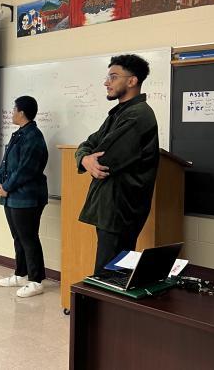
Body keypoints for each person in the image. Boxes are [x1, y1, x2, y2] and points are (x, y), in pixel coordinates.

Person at [75, 54, 159, 275]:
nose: (106, 82)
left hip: (120, 210)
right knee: (112, 274)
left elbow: (103, 160)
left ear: (132, 81)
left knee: (108, 276)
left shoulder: (138, 116)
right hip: (112, 209)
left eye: (113, 77)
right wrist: (84, 158)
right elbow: (89, 143)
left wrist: (90, 158)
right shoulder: (120, 113)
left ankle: (105, 311)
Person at [0, 96, 49, 298]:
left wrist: (7, 186)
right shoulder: (18, 134)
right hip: (12, 196)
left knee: (29, 238)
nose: (11, 113)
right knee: (18, 237)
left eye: (13, 109)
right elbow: (6, 162)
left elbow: (27, 169)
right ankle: (21, 274)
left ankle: (36, 281)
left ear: (22, 112)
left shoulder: (33, 137)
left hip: (27, 197)